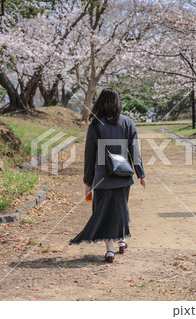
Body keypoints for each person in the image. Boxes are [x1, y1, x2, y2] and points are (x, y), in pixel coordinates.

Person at [70, 88, 146, 263]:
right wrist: (141, 174)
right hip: (123, 176)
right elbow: (134, 151)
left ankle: (109, 251)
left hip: (102, 177)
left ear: (100, 104)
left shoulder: (95, 126)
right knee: (121, 209)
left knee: (103, 213)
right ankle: (122, 240)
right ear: (118, 103)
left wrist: (88, 181)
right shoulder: (128, 123)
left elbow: (89, 156)